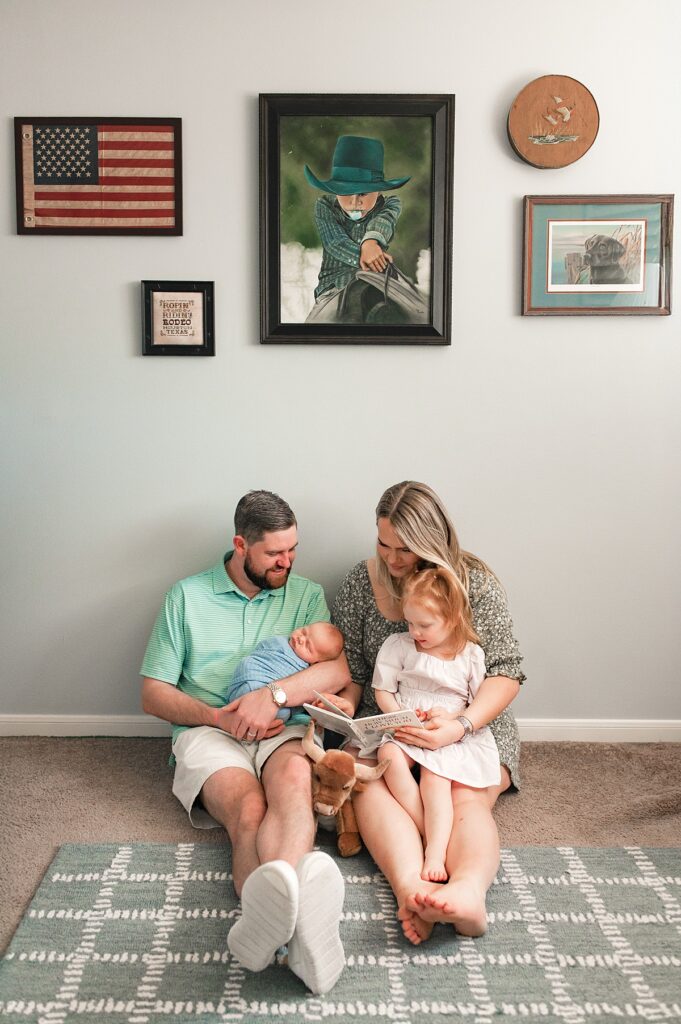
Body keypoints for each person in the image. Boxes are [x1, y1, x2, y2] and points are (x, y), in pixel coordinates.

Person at [140, 490, 351, 994]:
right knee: (249, 811)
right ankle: (296, 934)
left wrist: (272, 695)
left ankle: (275, 930)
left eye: (293, 549)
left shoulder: (305, 594)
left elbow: (336, 668)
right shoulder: (185, 597)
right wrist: (222, 716)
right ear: (241, 545)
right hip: (211, 731)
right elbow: (152, 693)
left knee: (294, 788)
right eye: (275, 553)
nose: (287, 560)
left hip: (286, 726)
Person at [331, 481, 525, 944]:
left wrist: (458, 727)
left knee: (463, 798)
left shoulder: (471, 581)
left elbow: (506, 671)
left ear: (432, 542)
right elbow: (355, 671)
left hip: (468, 723)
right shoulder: (363, 582)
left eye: (406, 548)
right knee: (370, 784)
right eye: (384, 543)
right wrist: (344, 704)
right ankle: (412, 890)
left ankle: (467, 893)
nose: (393, 559)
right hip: (391, 725)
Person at [372, 567, 501, 884]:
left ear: (453, 618)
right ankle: (425, 828)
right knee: (387, 756)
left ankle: (436, 851)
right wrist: (399, 717)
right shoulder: (399, 646)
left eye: (424, 625)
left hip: (447, 734)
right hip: (406, 725)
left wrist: (453, 722)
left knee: (435, 779)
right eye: (410, 622)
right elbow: (383, 690)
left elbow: (476, 703)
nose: (415, 631)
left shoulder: (469, 655)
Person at [303, 135, 410, 305]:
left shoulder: (390, 204)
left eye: (363, 193)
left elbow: (385, 219)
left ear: (379, 191)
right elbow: (335, 242)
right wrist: (368, 256)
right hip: (333, 286)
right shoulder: (324, 206)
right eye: (345, 193)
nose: (354, 202)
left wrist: (371, 242)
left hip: (380, 282)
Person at [229, 622, 344, 724]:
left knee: (285, 714)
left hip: (272, 706)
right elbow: (261, 649)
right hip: (252, 677)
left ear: (317, 663)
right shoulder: (279, 642)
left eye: (308, 646)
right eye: (304, 631)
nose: (301, 639)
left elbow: (302, 701)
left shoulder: (311, 673)